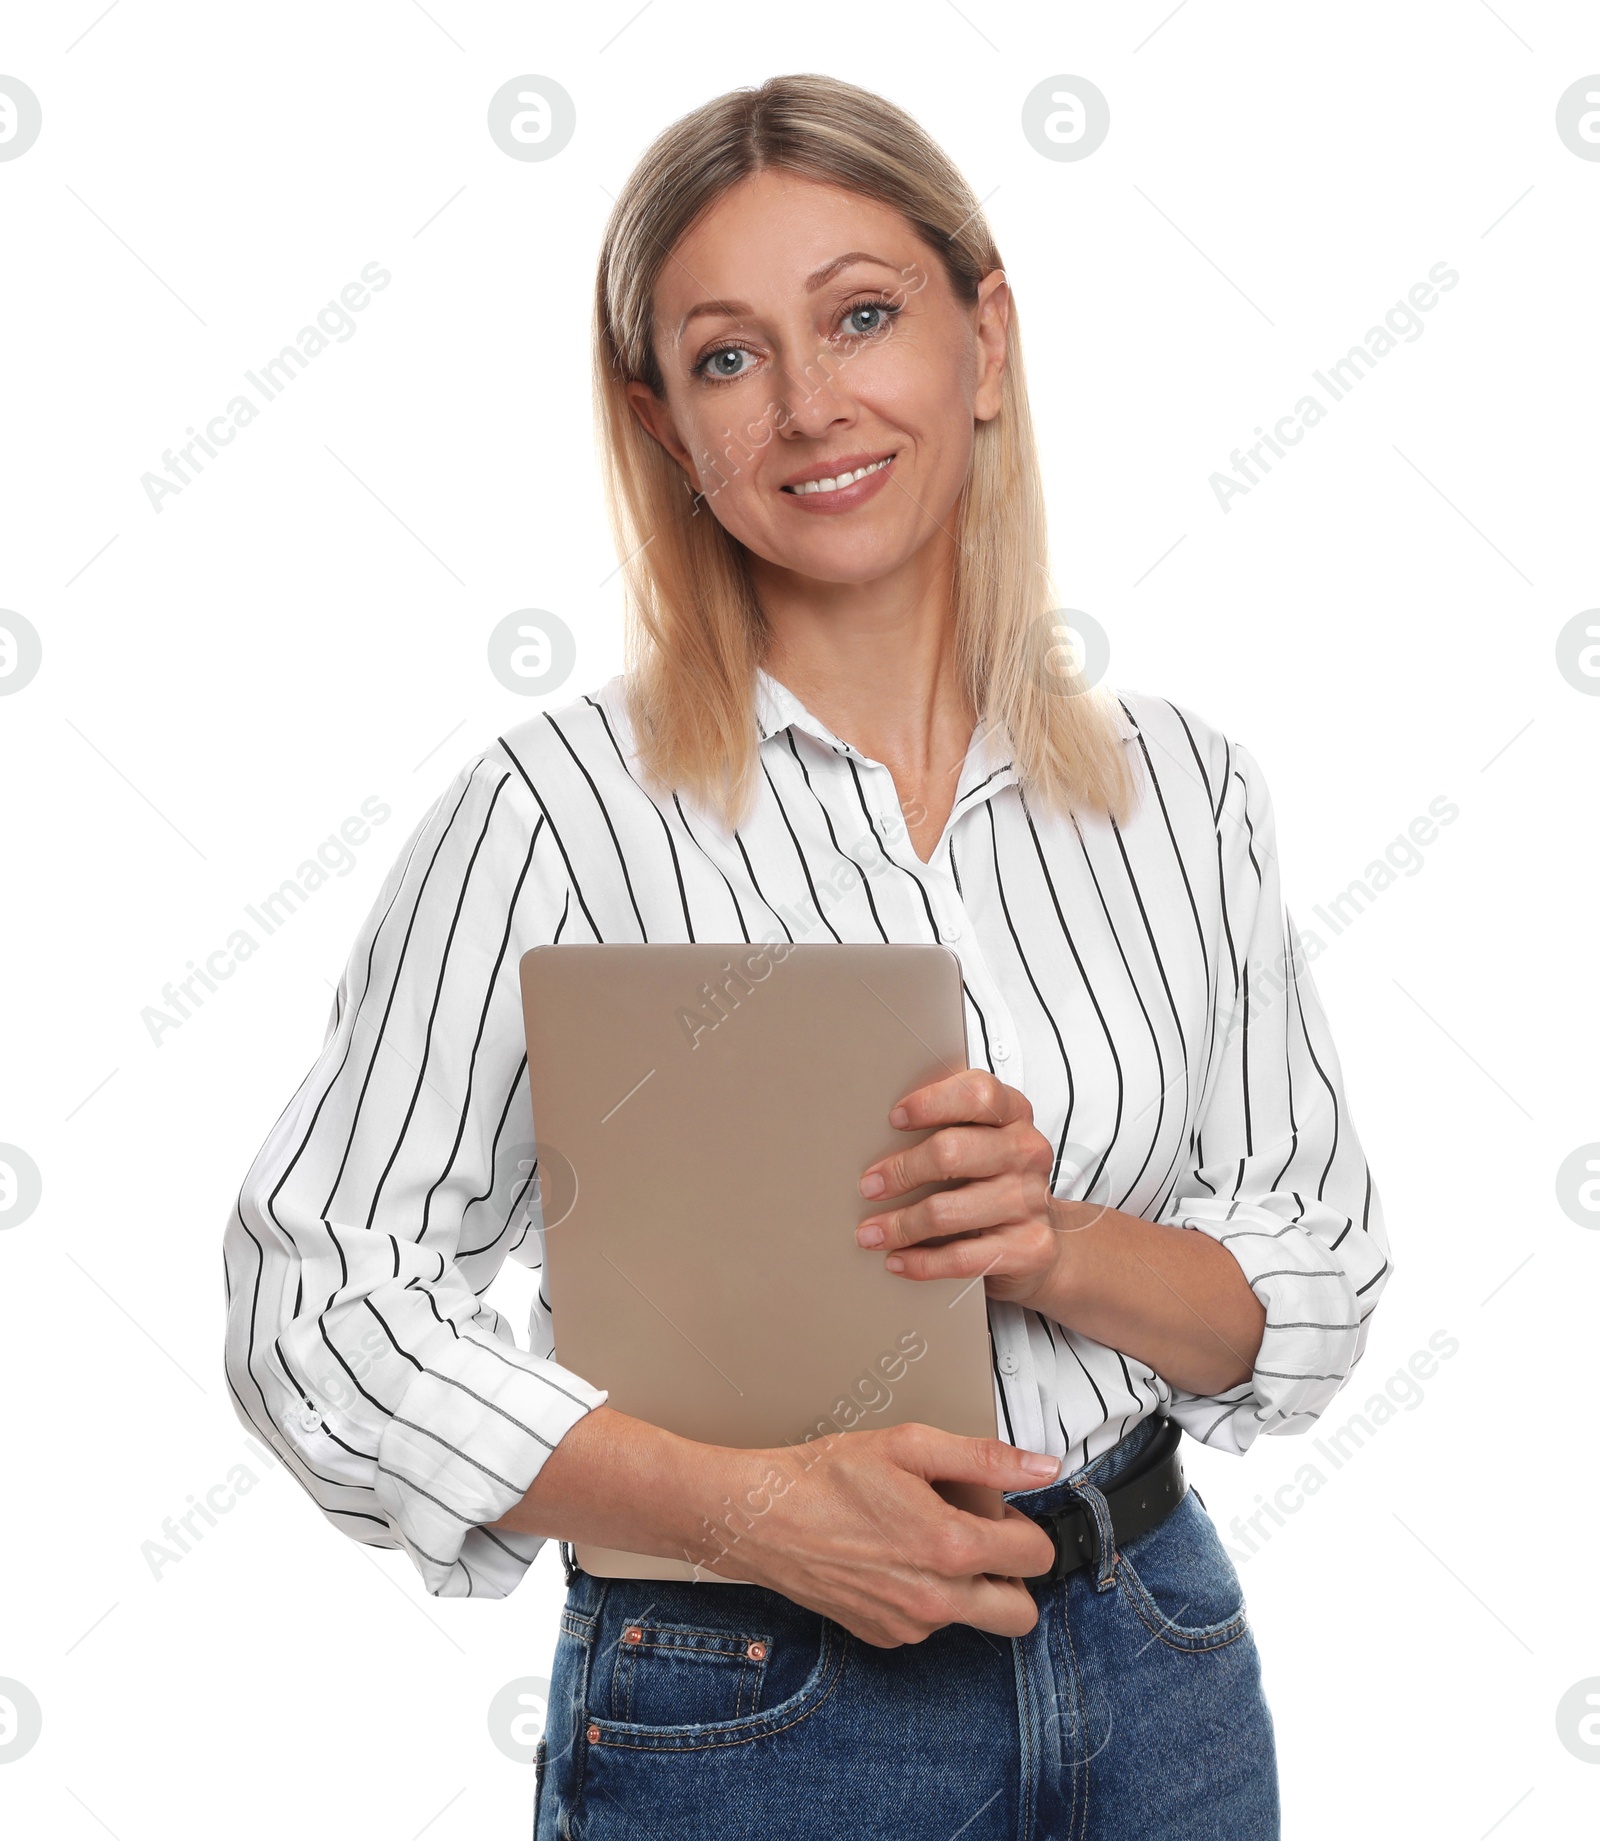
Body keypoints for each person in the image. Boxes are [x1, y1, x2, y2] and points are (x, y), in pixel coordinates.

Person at [222, 73, 1392, 1840]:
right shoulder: (558, 813)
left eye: (862, 315)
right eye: (727, 356)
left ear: (982, 339)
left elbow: (1309, 1279)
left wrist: (1052, 1239)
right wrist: (746, 1514)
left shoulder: (1184, 791)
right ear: (664, 425)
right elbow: (315, 1304)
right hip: (749, 1706)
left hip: (1159, 1653)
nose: (812, 403)